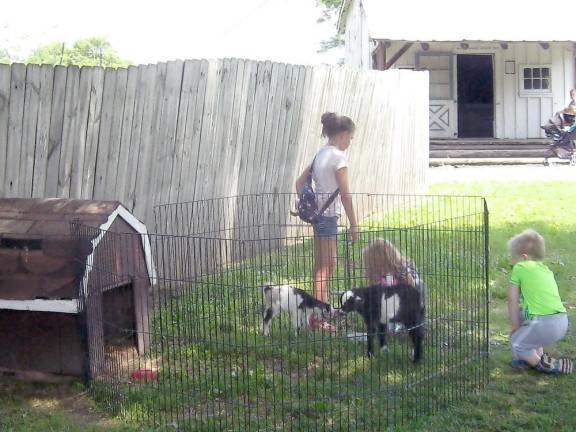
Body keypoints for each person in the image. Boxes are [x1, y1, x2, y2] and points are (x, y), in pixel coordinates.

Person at [295, 112, 358, 331]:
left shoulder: (320, 154)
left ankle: (322, 310)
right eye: (350, 137)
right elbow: (345, 193)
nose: (350, 142)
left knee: (323, 265)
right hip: (329, 216)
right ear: (342, 135)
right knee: (326, 266)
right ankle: (317, 318)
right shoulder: (338, 157)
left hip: (319, 215)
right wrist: (354, 223)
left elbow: (299, 183)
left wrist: (312, 203)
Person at [507, 229, 572, 374]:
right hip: (561, 321)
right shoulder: (546, 270)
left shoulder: (520, 267)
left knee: (517, 343)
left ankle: (548, 365)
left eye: (513, 258)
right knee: (526, 317)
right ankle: (538, 357)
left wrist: (515, 325)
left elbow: (512, 299)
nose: (512, 261)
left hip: (543, 323)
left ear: (524, 257)